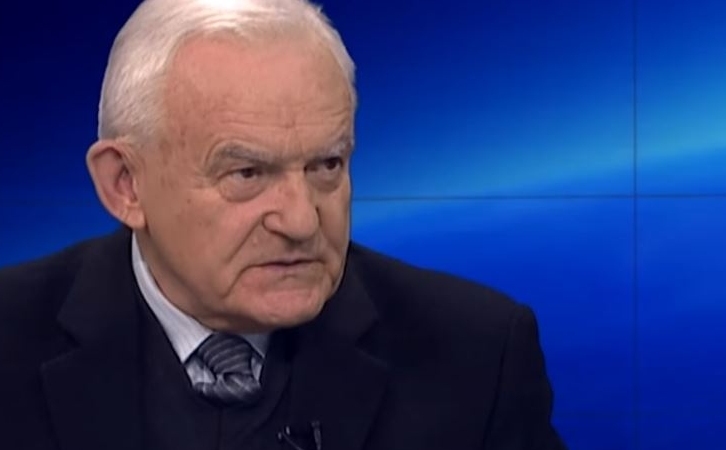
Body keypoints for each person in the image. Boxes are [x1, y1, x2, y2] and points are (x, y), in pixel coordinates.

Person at [0, 0, 567, 449]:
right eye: (247, 173)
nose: (301, 220)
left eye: (327, 166)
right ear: (125, 183)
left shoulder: (478, 356)